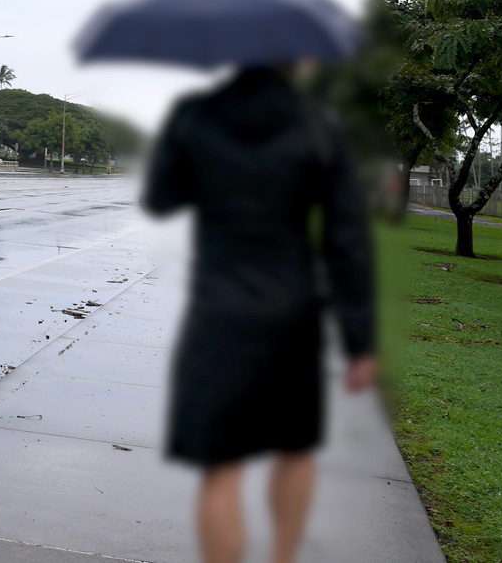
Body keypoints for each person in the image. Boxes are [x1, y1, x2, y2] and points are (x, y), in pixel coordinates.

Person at [142, 65, 374, 563]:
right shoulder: (318, 125)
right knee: (294, 448)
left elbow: (161, 198)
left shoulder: (194, 117)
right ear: (298, 62)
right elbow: (347, 241)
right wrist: (360, 342)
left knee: (221, 467)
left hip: (219, 311)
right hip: (292, 313)